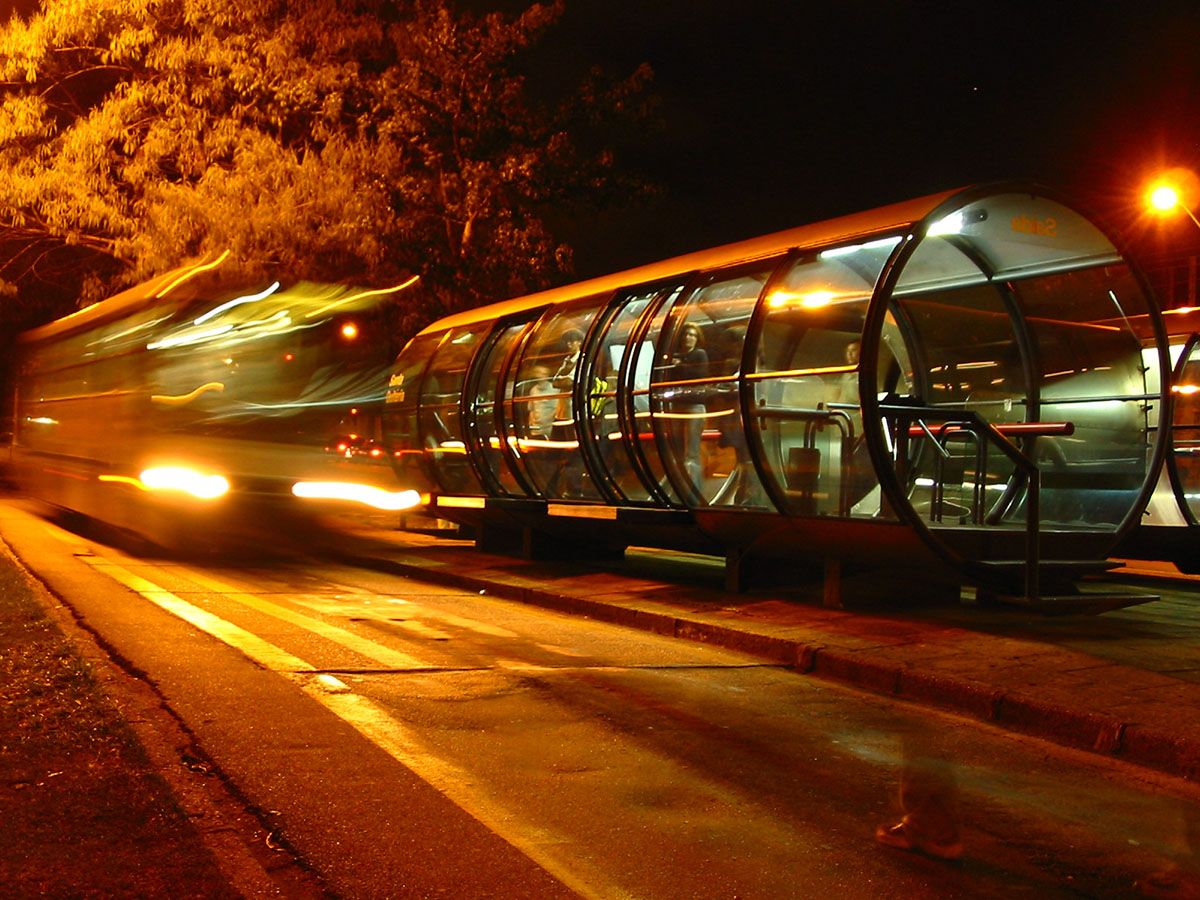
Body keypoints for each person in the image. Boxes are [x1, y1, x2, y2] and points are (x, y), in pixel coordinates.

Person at [669, 321, 709, 486]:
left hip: (694, 405)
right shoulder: (676, 357)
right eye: (686, 334)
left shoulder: (699, 354)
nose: (688, 337)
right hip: (678, 406)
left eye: (692, 335)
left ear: (697, 338)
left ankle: (693, 490)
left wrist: (680, 366)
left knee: (691, 452)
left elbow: (700, 375)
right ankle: (682, 487)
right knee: (679, 450)